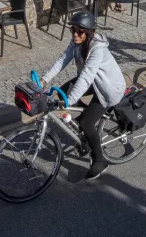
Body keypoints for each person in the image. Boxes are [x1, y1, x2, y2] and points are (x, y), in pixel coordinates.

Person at [42, 11, 126, 180]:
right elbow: (63, 59)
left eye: (79, 32)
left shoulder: (97, 50)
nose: (75, 34)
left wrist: (70, 101)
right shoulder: (77, 42)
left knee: (87, 123)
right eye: (73, 30)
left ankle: (100, 160)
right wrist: (44, 80)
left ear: (88, 33)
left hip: (108, 89)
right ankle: (82, 124)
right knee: (62, 91)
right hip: (94, 82)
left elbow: (86, 76)